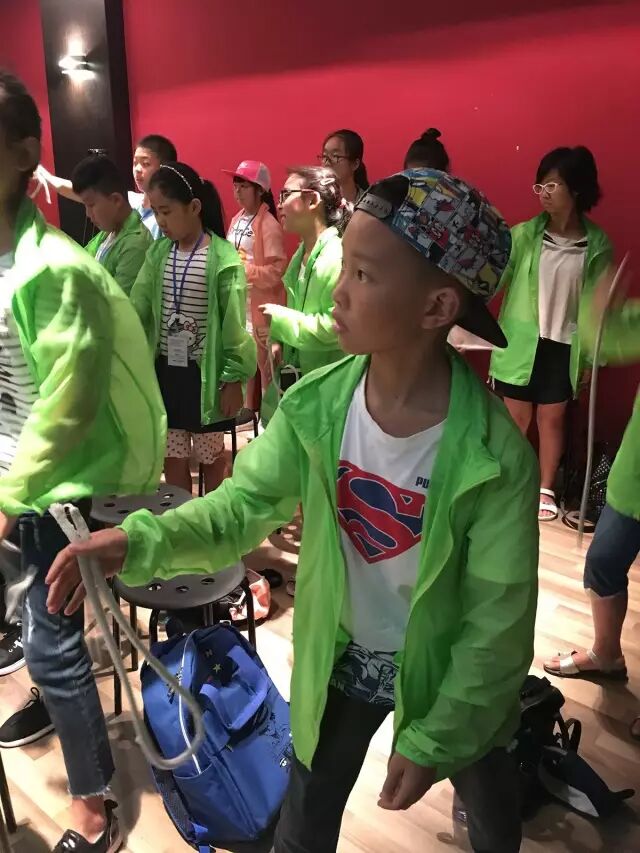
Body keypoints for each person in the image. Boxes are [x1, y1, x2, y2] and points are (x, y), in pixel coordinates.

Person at [46, 168, 540, 853]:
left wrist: (437, 739)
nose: (339, 291)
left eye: (363, 275)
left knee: (490, 805)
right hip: (340, 658)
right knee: (304, 821)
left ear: (436, 307)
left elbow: (496, 622)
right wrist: (136, 542)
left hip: (450, 666)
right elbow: (239, 508)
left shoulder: (495, 456)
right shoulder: (318, 407)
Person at [0, 70, 166, 853]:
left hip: (49, 490)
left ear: (23, 154)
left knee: (53, 640)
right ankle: (51, 699)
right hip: (12, 476)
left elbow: (66, 406)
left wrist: (8, 496)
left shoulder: (59, 268)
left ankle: (95, 798)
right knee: (30, 626)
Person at [489, 146, 613, 521]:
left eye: (553, 185)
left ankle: (545, 488)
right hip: (520, 341)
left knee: (553, 418)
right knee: (515, 419)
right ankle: (509, 481)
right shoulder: (523, 235)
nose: (543, 193)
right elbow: (494, 282)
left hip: (565, 344)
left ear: (576, 189)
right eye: (540, 185)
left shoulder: (597, 244)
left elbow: (599, 308)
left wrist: (591, 359)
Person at [544, 267, 639, 739]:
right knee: (602, 563)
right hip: (636, 475)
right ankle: (607, 655)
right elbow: (609, 339)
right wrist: (601, 310)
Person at [130, 161, 256, 495]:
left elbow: (234, 326)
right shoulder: (158, 254)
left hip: (207, 377)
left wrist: (233, 379)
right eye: (155, 212)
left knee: (211, 457)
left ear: (194, 207)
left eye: (166, 211)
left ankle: (210, 522)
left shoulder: (223, 258)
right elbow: (138, 306)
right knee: (172, 456)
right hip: (167, 372)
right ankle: (182, 519)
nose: (160, 221)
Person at [260, 166, 346, 424]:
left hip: (329, 393)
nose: (279, 204)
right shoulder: (302, 255)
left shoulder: (336, 256)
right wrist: (278, 340)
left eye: (286, 194)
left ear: (312, 200)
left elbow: (337, 327)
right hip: (304, 389)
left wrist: (281, 321)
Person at [223, 160, 286, 400]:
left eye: (244, 186)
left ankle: (268, 416)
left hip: (261, 308)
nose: (237, 191)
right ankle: (247, 410)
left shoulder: (269, 224)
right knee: (244, 362)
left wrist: (247, 270)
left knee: (267, 368)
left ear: (260, 190)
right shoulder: (237, 219)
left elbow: (277, 271)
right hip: (240, 304)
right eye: (235, 185)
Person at [36, 133, 177, 239]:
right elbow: (77, 191)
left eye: (145, 164)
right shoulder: (131, 200)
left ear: (164, 167)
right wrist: (45, 176)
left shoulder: (167, 215)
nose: (138, 169)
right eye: (135, 163)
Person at [71, 154, 152, 295]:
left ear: (116, 200)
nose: (88, 213)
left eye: (91, 205)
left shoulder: (135, 244)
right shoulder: (108, 233)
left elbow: (117, 301)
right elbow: (79, 263)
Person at [319, 129, 368, 204]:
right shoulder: (316, 201)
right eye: (325, 156)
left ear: (355, 164)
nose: (327, 163)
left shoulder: (369, 205)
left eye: (335, 156)